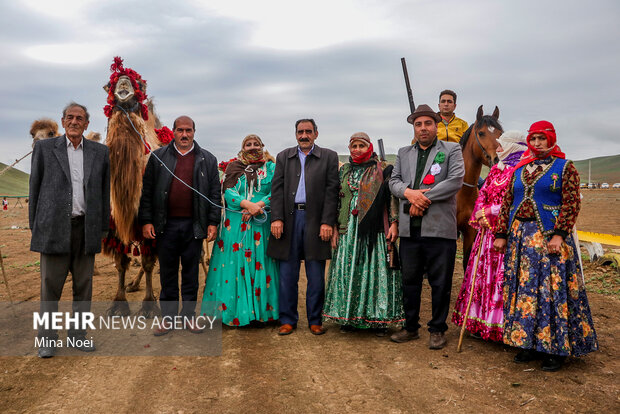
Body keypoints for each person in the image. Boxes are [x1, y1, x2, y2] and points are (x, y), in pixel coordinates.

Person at [493, 120, 598, 371]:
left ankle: (555, 349)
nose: (537, 143)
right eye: (533, 139)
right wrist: (501, 234)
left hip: (549, 239)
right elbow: (507, 202)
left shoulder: (565, 168)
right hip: (520, 239)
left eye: (542, 138)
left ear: (551, 139)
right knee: (523, 291)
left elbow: (571, 204)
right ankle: (527, 343)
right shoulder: (520, 169)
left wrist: (559, 235)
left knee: (551, 291)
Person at [29, 102, 110, 358]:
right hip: (53, 228)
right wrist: (37, 227)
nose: (75, 122)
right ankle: (47, 339)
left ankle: (78, 336)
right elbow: (35, 187)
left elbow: (104, 192)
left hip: (86, 227)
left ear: (87, 124)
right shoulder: (44, 149)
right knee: (50, 287)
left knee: (84, 287)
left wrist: (103, 228)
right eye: (70, 117)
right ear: (62, 122)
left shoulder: (100, 152)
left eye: (80, 118)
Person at [389, 104, 464, 349]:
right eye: (418, 124)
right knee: (409, 280)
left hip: (440, 230)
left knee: (440, 282)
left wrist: (422, 199)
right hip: (409, 230)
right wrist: (409, 194)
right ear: (414, 127)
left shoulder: (452, 149)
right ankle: (411, 327)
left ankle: (437, 329)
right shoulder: (403, 152)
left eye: (427, 123)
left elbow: (454, 181)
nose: (423, 128)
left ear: (436, 125)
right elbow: (394, 182)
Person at [139, 115, 221, 336]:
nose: (184, 135)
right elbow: (147, 192)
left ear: (194, 132)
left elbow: (215, 193)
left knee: (191, 273)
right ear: (173, 132)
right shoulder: (158, 158)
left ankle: (188, 317)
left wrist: (213, 222)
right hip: (165, 225)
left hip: (194, 226)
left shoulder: (207, 159)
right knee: (167, 273)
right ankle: (167, 319)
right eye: (180, 130)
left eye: (188, 130)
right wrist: (146, 220)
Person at [323, 132, 404, 334]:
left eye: (361, 145)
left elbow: (391, 199)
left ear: (369, 147)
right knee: (348, 269)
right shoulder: (344, 171)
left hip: (374, 230)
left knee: (375, 271)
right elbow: (336, 199)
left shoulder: (382, 169)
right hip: (347, 228)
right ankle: (348, 316)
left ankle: (378, 319)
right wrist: (333, 225)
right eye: (354, 146)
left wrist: (394, 223)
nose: (357, 149)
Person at [452, 130, 527, 341]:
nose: (498, 149)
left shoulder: (520, 173)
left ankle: (504, 327)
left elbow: (513, 203)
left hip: (504, 234)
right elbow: (482, 194)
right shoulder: (496, 170)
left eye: (502, 144)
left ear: (515, 146)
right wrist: (479, 212)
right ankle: (480, 322)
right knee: (484, 278)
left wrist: (489, 213)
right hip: (486, 236)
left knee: (502, 280)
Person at [267, 118, 339, 336]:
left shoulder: (328, 156)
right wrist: (276, 218)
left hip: (316, 220)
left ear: (316, 133)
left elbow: (332, 191)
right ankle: (287, 319)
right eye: (300, 132)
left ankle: (315, 320)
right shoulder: (284, 157)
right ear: (296, 134)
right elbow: (277, 190)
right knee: (287, 274)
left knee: (316, 274)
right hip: (288, 220)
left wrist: (327, 221)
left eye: (308, 131)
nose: (304, 135)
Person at [201, 134, 279, 326]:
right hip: (236, 225)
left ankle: (262, 314)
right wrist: (246, 204)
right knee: (234, 265)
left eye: (256, 144)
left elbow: (276, 191)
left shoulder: (271, 167)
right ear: (242, 148)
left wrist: (257, 206)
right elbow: (228, 192)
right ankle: (234, 313)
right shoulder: (234, 167)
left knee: (260, 263)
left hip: (261, 224)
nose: (252, 147)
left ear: (262, 146)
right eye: (248, 144)